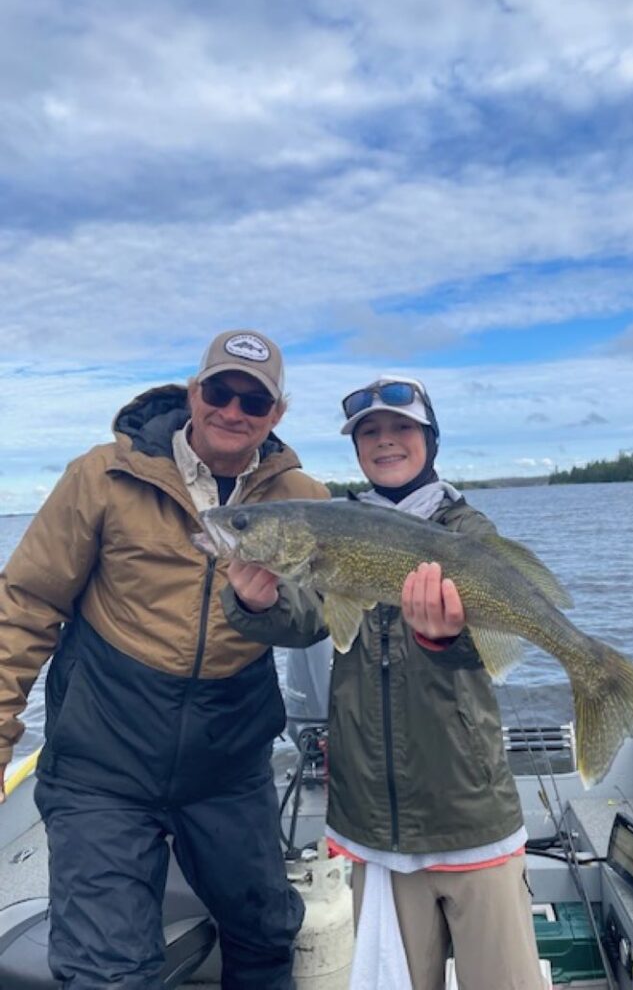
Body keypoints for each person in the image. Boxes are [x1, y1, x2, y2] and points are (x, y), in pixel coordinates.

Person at [0, 329, 330, 989]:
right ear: (193, 392)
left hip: (229, 763)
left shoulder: (304, 497)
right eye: (220, 391)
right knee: (107, 970)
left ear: (277, 414)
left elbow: (316, 618)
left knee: (266, 938)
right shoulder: (101, 475)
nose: (233, 411)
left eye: (254, 400)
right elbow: (26, 604)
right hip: (104, 763)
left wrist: (262, 609)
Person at [224, 375, 545, 990]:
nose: (386, 441)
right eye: (369, 433)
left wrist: (444, 641)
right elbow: (310, 616)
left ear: (430, 438)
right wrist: (255, 603)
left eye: (402, 428)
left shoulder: (469, 534)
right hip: (372, 826)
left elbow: (487, 654)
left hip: (469, 813)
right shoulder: (333, 527)